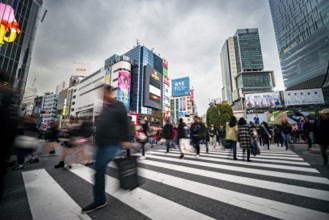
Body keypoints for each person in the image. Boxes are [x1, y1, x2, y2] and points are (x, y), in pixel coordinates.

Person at [82, 85, 130, 214]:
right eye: (101, 93)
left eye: (104, 93)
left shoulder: (118, 105)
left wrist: (125, 139)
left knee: (98, 168)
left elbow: (124, 122)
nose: (102, 95)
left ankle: (100, 200)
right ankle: (120, 174)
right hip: (101, 144)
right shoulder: (105, 108)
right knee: (99, 169)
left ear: (109, 92)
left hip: (112, 143)